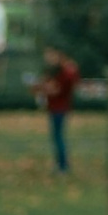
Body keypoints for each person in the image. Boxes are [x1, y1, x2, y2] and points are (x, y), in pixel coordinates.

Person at [34, 49, 79, 177]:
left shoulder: (65, 73)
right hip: (56, 108)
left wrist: (45, 89)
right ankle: (60, 163)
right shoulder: (58, 72)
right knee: (57, 136)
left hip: (59, 108)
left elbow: (59, 90)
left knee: (58, 137)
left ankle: (63, 165)